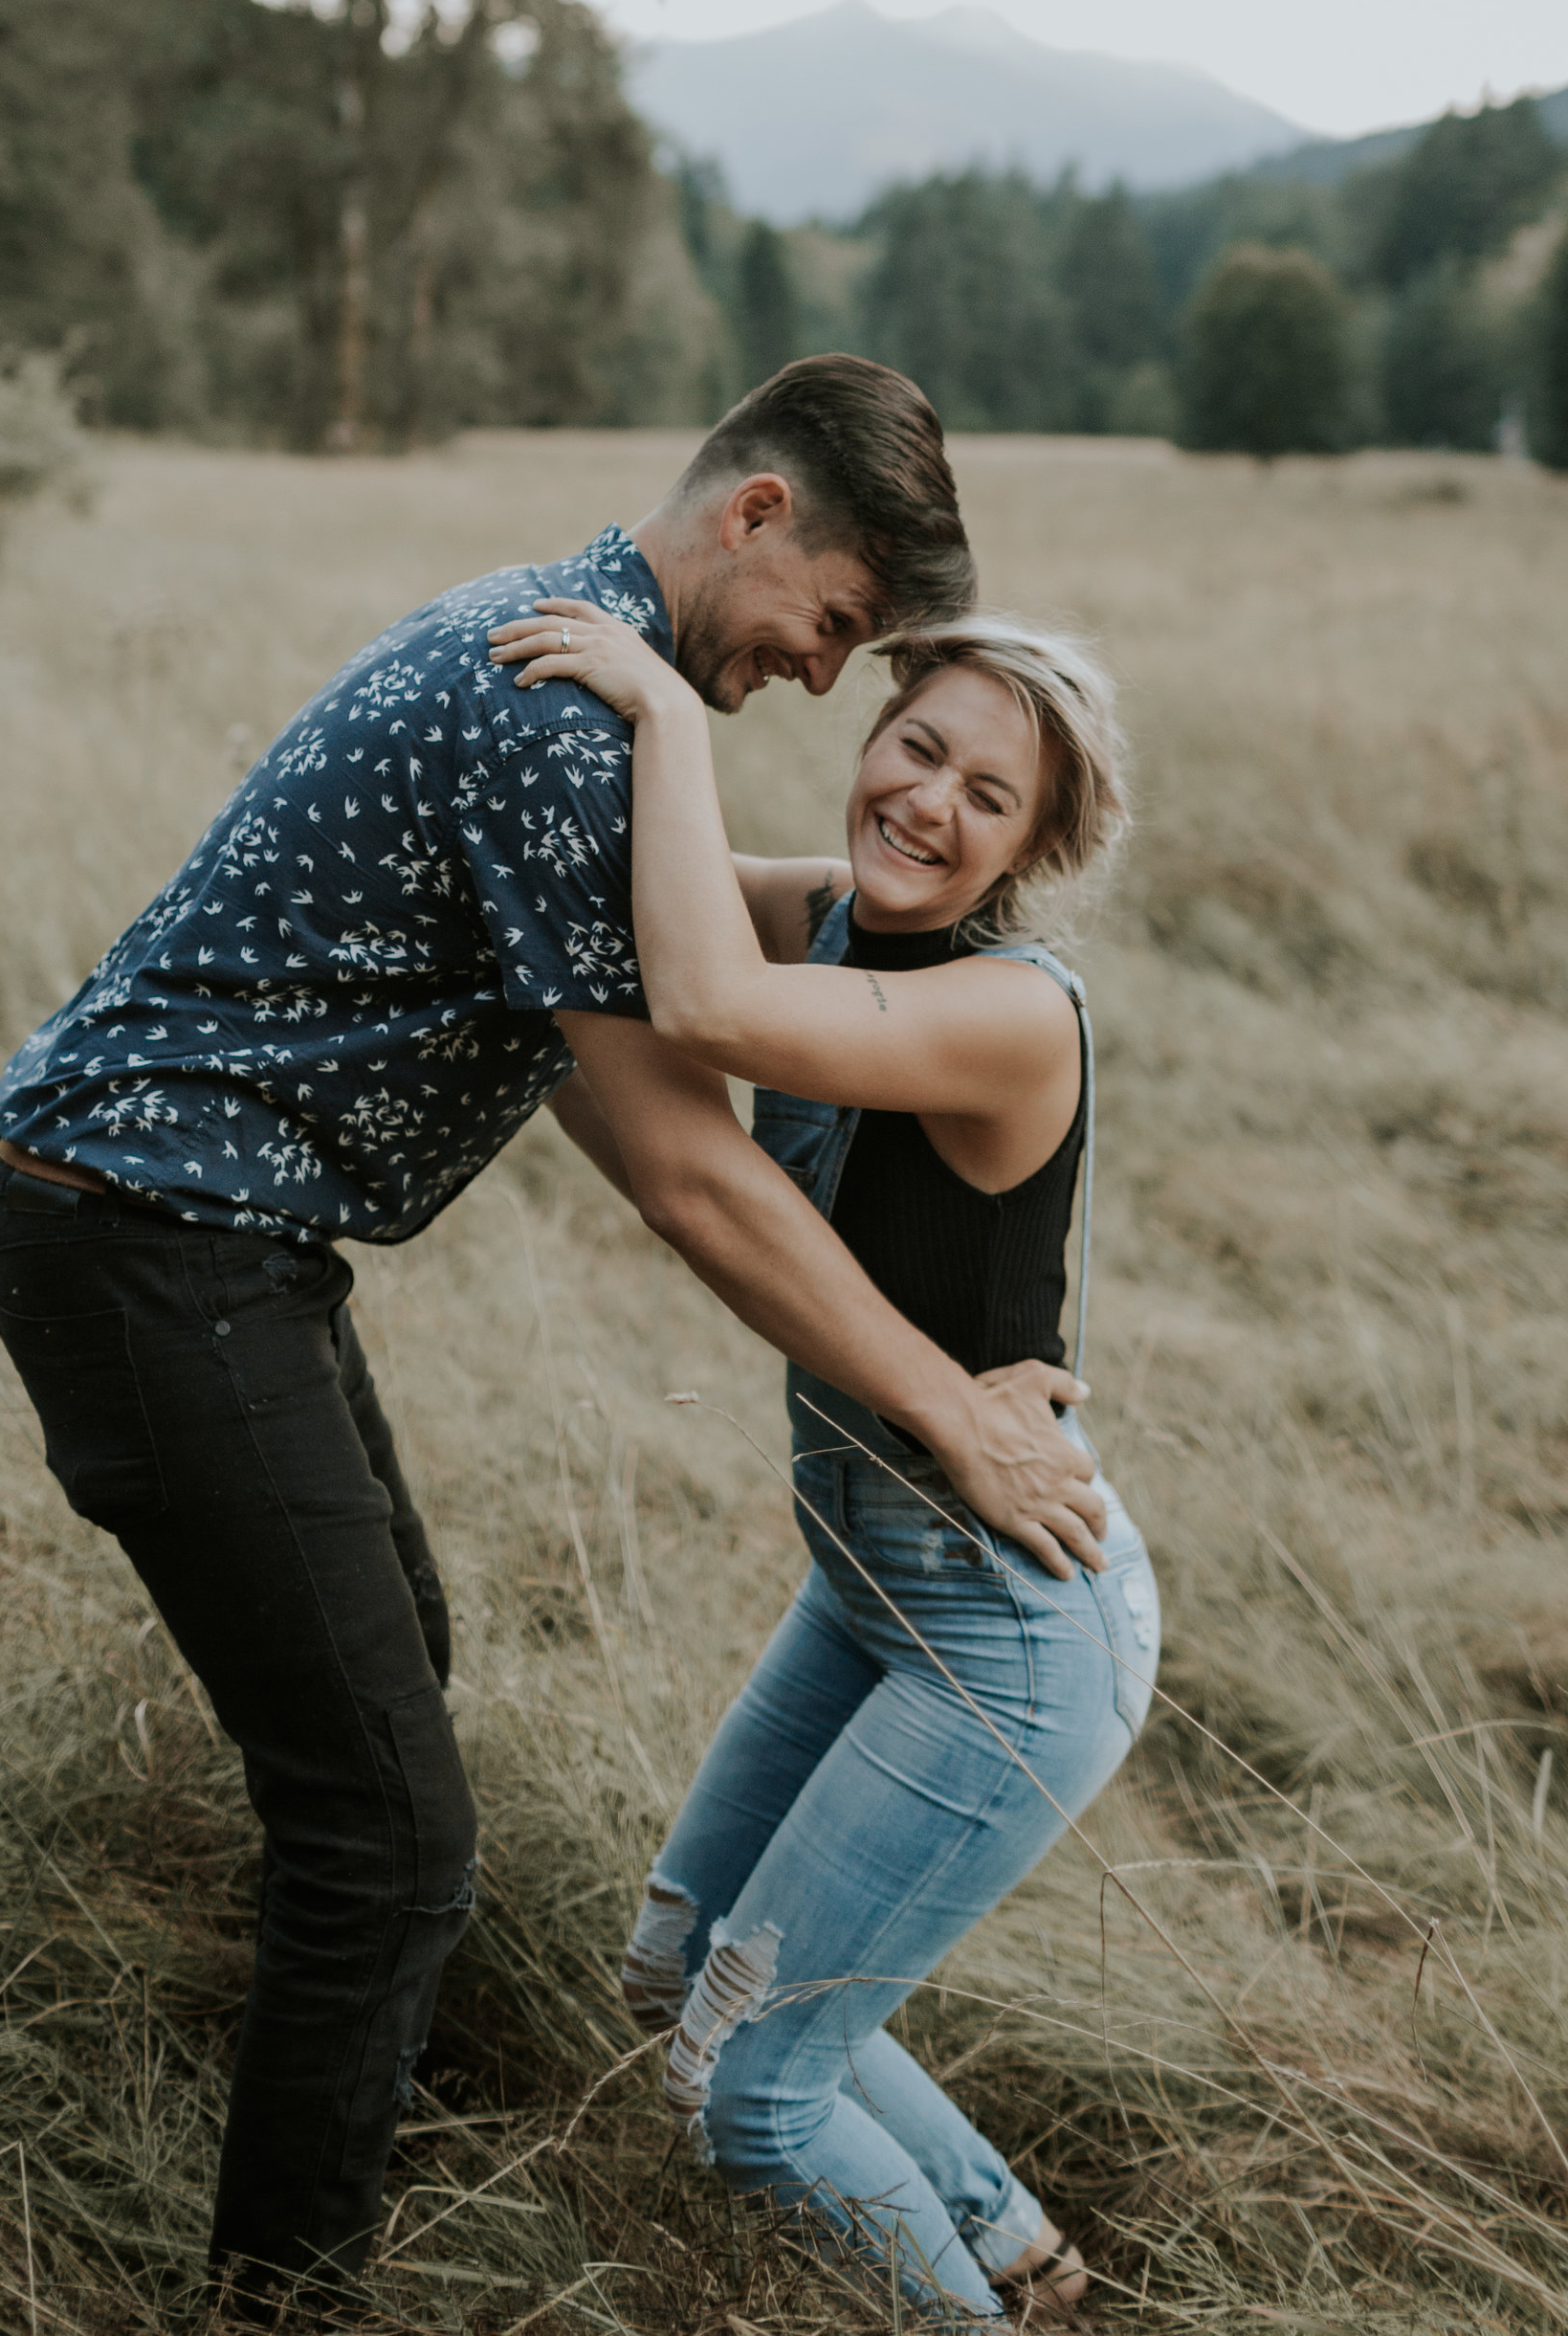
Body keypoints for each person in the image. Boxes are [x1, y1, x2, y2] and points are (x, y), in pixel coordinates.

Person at [0, 358, 1108, 2325]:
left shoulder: (574, 678)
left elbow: (690, 999)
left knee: (390, 1701)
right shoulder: (558, 720)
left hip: (203, 1244)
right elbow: (687, 1165)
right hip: (158, 1253)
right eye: (835, 629)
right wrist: (950, 1412)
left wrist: (818, 803)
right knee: (391, 1833)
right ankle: (291, 2292)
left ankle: (342, 2149)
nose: (828, 682)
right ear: (754, 514)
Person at [487, 591, 1157, 2321]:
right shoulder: (835, 915)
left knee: (751, 2095)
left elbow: (699, 1000)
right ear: (872, 740)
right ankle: (1020, 2256)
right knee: (677, 1970)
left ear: (1035, 848)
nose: (931, 801)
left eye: (988, 796)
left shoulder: (1013, 1011)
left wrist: (666, 711)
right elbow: (651, 931)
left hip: (1005, 1628)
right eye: (918, 745)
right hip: (868, 1583)